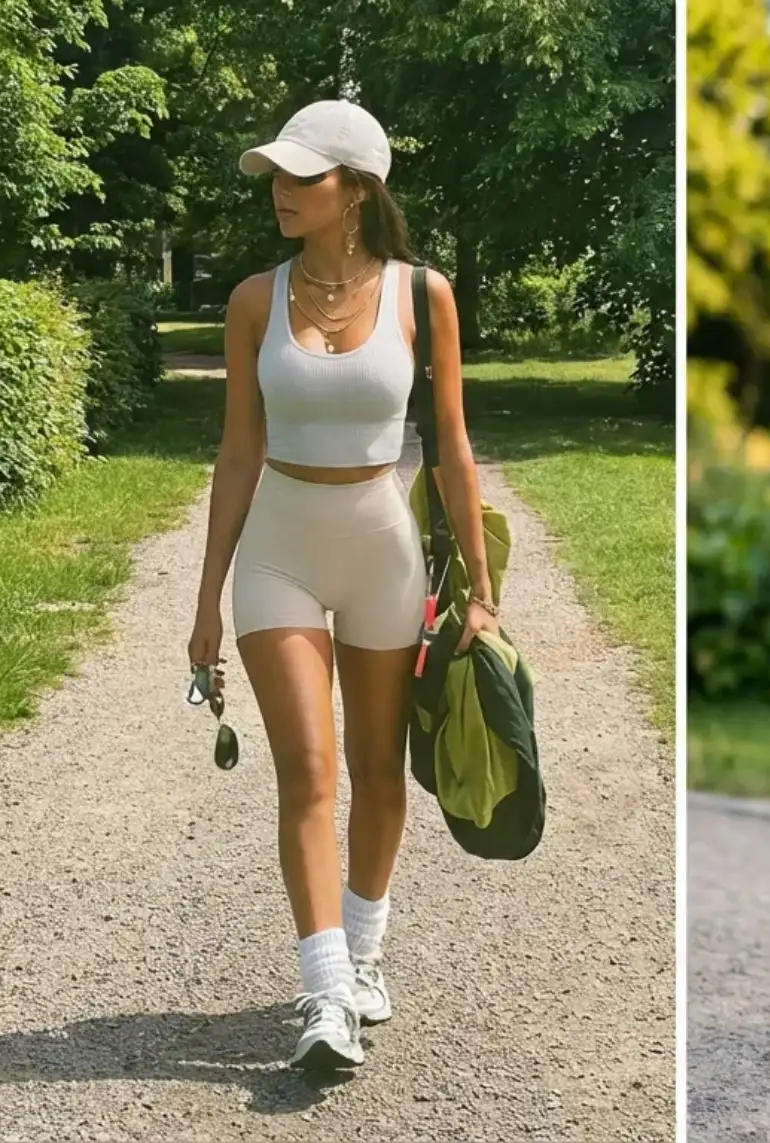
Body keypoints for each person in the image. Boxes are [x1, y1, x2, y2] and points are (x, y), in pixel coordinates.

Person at [185, 99, 499, 1071]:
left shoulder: (422, 295)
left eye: (300, 177)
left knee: (376, 767)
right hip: (277, 546)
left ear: (355, 189)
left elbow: (449, 445)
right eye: (275, 176)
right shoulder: (251, 301)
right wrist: (205, 599)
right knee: (307, 774)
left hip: (382, 549)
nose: (279, 192)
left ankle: (363, 959)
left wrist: (480, 590)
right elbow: (238, 455)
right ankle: (323, 997)